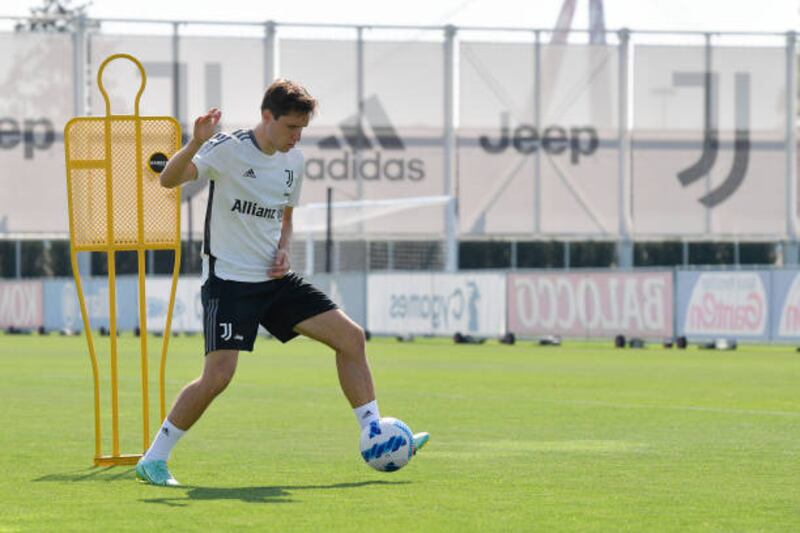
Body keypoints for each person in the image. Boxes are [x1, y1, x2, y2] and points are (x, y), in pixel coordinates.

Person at [135, 79, 429, 486]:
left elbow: (285, 218)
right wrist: (195, 142)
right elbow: (169, 180)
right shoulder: (228, 148)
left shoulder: (295, 161)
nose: (297, 137)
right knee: (218, 376)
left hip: (275, 280)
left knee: (351, 338)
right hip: (230, 281)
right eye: (291, 127)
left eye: (302, 129)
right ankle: (154, 459)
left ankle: (376, 432)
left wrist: (284, 249)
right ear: (267, 117)